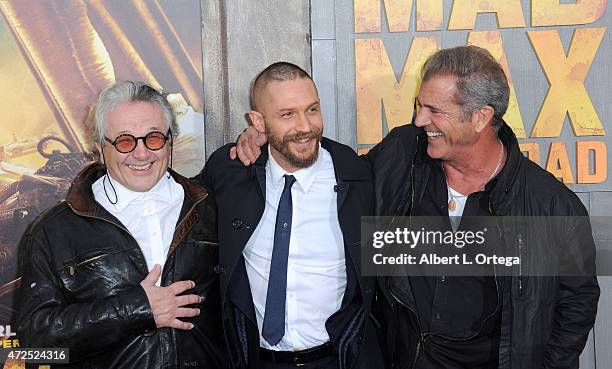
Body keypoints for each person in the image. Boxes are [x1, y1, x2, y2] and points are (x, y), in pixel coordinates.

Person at [232, 46, 599, 369]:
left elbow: (576, 307)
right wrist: (269, 135)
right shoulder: (402, 154)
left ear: (480, 118)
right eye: (418, 106)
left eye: (434, 110)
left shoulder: (550, 206)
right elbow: (334, 166)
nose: (420, 120)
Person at [15, 81, 227, 369]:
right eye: (125, 141)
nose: (141, 154)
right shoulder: (53, 232)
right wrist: (135, 309)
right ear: (101, 148)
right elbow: (31, 349)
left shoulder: (211, 210)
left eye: (153, 138)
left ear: (170, 140)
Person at [197, 62, 383, 369]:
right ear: (258, 121)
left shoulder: (359, 176)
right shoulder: (230, 171)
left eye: (312, 109)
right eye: (287, 115)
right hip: (254, 359)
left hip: (339, 357)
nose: (305, 126)